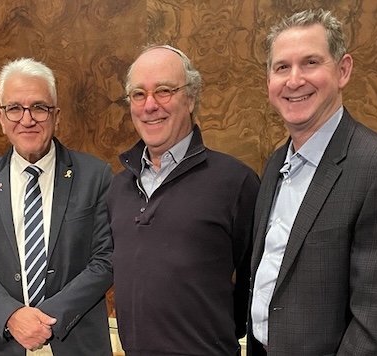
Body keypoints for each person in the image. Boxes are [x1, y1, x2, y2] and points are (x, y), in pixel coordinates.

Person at [248, 9, 377, 356]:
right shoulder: (276, 162)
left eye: (310, 63)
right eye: (281, 67)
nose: (294, 81)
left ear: (343, 70)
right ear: (268, 83)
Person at [107, 44, 260, 356]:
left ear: (191, 98)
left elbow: (255, 281)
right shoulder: (119, 187)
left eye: (164, 91)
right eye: (138, 94)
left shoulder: (236, 182)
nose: (149, 105)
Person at [0, 58, 113, 356]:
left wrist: (47, 319)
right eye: (14, 108)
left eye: (39, 107)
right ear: (1, 118)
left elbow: (106, 259)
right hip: (5, 341)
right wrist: (11, 316)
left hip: (75, 340)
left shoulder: (95, 176)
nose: (27, 119)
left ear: (57, 116)